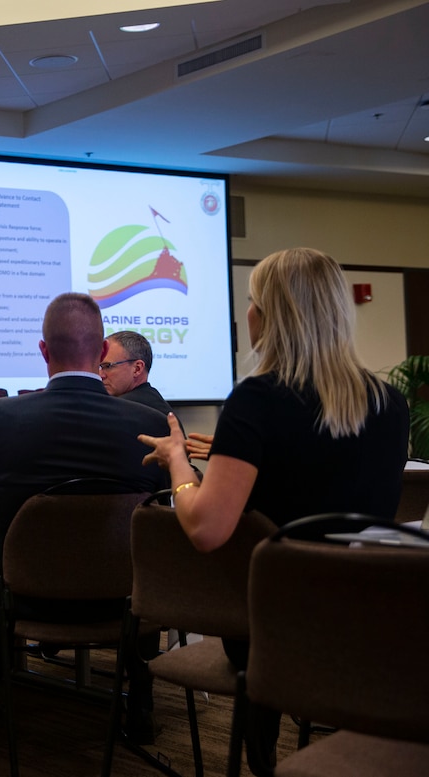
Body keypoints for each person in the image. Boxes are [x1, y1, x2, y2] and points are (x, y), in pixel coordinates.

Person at [139, 247, 409, 776]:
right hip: (368, 620)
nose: (247, 314)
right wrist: (237, 453)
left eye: (251, 302)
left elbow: (207, 531)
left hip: (273, 628)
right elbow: (330, 474)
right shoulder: (388, 401)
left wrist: (179, 466)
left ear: (268, 315)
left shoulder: (259, 399)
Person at [0, 292, 171, 739]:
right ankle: (140, 701)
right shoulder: (148, 424)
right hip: (124, 599)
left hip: (23, 598)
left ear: (43, 351)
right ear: (100, 354)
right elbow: (159, 510)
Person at [100, 330, 174, 415]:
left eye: (108, 366)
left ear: (137, 369)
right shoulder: (158, 404)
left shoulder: (119, 410)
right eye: (99, 367)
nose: (101, 375)